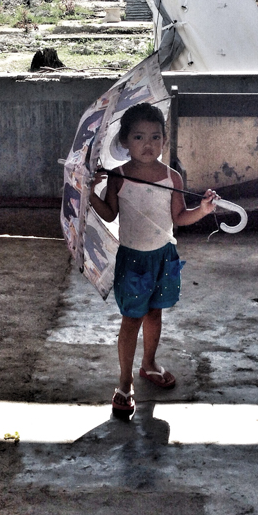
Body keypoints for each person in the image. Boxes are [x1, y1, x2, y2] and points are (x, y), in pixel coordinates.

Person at [88, 103, 219, 417]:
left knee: (155, 313)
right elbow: (110, 214)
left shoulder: (172, 177)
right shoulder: (118, 177)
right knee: (132, 319)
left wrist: (202, 210)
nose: (147, 144)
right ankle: (125, 382)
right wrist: (90, 193)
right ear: (124, 141)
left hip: (163, 256)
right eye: (138, 137)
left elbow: (179, 217)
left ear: (164, 140)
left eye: (155, 137)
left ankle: (148, 364)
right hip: (132, 260)